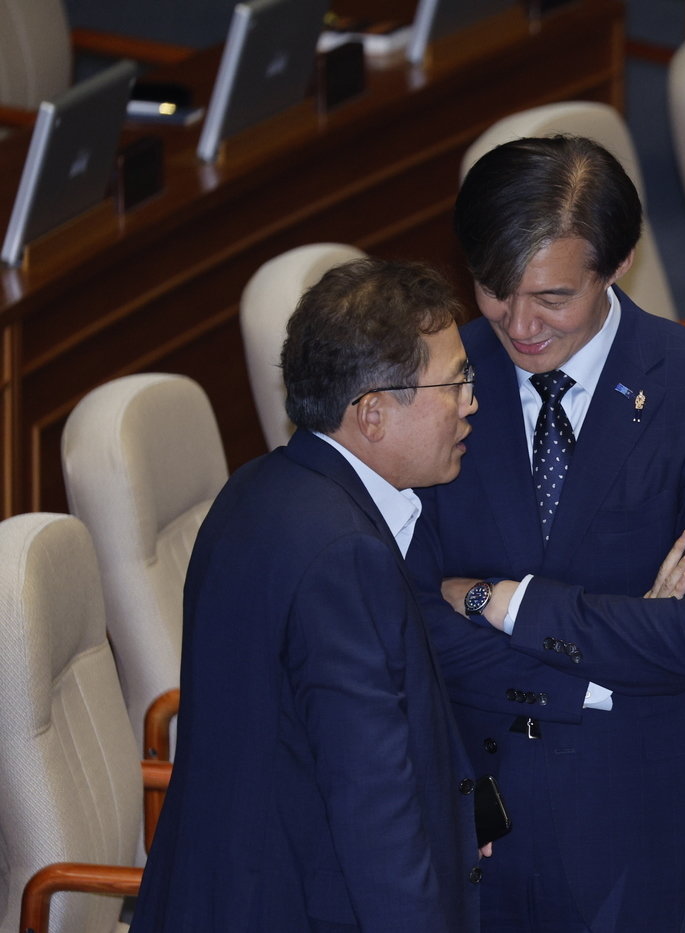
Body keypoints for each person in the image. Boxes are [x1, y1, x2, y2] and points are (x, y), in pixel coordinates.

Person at [407, 134, 685, 932]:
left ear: (621, 262)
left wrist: (499, 600)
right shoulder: (433, 378)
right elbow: (409, 617)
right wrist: (609, 651)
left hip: (645, 796)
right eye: (495, 289)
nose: (520, 324)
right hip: (477, 790)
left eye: (553, 297)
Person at [131, 259, 486, 932]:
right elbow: (372, 807)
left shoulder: (254, 489)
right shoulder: (343, 556)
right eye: (456, 383)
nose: (472, 401)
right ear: (373, 413)